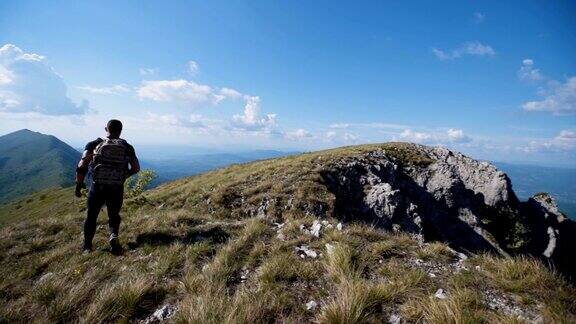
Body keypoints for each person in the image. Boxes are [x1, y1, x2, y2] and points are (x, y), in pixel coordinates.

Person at [75, 119, 140, 254]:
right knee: (114, 214)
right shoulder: (127, 147)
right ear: (121, 130)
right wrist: (123, 176)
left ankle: (87, 247)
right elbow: (136, 168)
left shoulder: (93, 144)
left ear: (106, 129)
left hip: (97, 187)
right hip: (116, 187)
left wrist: (79, 185)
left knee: (91, 216)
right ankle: (113, 235)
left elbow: (81, 166)